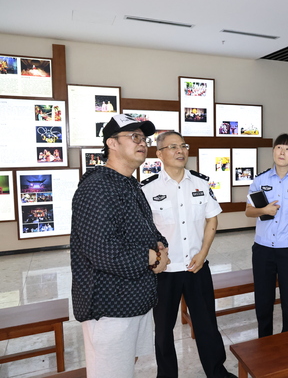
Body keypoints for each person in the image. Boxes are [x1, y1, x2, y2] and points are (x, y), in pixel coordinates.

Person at [70, 114, 171, 377]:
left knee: (125, 369)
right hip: (110, 307)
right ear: (112, 143)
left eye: (144, 138)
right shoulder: (97, 187)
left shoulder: (128, 184)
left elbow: (149, 230)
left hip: (134, 300)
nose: (143, 143)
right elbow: (102, 251)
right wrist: (151, 258)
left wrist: (161, 248)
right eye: (134, 137)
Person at [141, 131, 236, 378]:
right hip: (164, 272)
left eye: (183, 145)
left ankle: (217, 372)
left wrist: (203, 253)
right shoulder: (147, 189)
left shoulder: (200, 183)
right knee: (163, 330)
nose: (180, 150)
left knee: (207, 325)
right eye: (172, 146)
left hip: (197, 266)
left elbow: (212, 219)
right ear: (159, 154)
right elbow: (141, 230)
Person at [245, 133, 288, 338]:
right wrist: (264, 210)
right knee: (263, 299)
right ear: (273, 151)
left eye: (287, 149)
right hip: (263, 249)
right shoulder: (260, 179)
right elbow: (249, 211)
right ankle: (264, 341)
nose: (282, 152)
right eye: (279, 147)